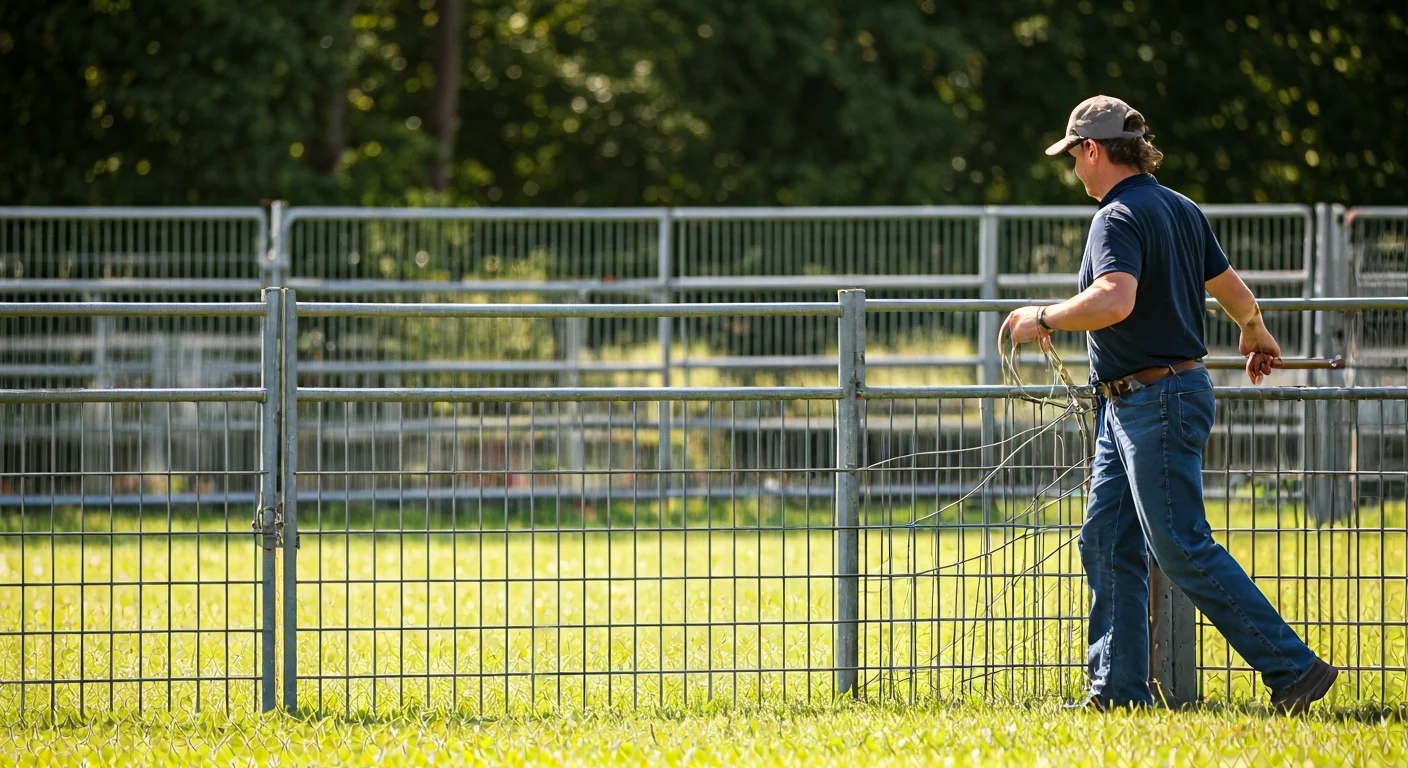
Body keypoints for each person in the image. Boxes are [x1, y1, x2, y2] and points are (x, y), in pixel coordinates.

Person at [1001, 95, 1338, 713]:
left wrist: (1042, 317)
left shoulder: (1115, 216)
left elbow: (1114, 300)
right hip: (1137, 402)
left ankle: (1294, 669)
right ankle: (1118, 692)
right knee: (1105, 539)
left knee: (1180, 544)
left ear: (1094, 150)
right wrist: (1254, 330)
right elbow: (1232, 289)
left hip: (1152, 400)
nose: (1074, 168)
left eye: (1074, 155)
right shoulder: (1180, 208)